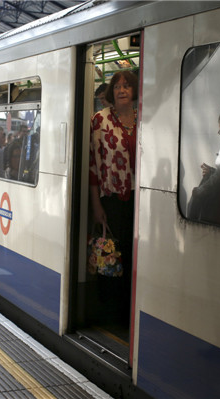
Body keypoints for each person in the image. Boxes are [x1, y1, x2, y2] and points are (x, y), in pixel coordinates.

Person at [89, 70, 138, 326]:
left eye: (127, 86)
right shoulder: (100, 121)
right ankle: (111, 315)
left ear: (134, 91)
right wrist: (96, 204)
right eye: (117, 86)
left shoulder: (145, 119)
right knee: (111, 257)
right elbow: (93, 166)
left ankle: (130, 314)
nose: (121, 90)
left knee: (133, 257)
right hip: (112, 200)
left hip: (141, 201)